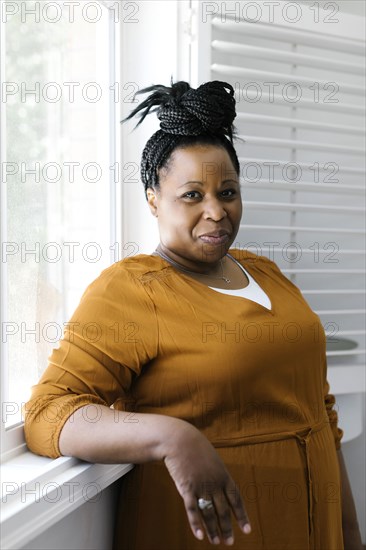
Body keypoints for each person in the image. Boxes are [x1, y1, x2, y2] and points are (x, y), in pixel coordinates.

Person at [24, 80, 362, 550]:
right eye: (192, 195)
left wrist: (349, 534)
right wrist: (171, 437)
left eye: (227, 192)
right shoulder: (131, 290)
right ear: (153, 199)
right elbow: (48, 414)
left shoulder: (266, 272)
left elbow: (320, 411)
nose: (216, 212)